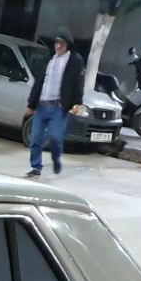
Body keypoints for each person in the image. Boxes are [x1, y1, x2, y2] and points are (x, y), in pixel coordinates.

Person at [26, 31, 84, 177]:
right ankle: (36, 167)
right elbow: (39, 82)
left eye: (62, 43)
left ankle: (56, 158)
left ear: (68, 44)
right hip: (42, 105)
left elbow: (78, 83)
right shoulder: (48, 58)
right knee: (35, 138)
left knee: (55, 138)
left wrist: (77, 103)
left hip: (58, 107)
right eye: (56, 43)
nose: (58, 46)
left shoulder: (74, 60)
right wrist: (31, 104)